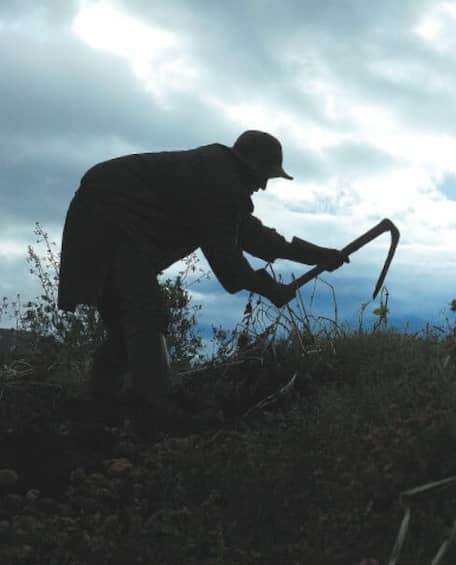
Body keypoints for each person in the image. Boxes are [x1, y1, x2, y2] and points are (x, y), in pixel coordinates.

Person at [56, 130, 347, 429]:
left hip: (102, 215)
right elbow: (228, 264)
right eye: (265, 176)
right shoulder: (220, 184)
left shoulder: (218, 177)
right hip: (109, 219)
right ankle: (155, 413)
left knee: (126, 322)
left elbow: (252, 235)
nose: (263, 186)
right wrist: (269, 288)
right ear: (251, 165)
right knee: (145, 314)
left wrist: (316, 255)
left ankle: (102, 409)